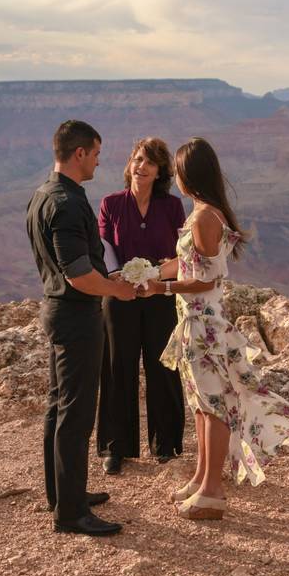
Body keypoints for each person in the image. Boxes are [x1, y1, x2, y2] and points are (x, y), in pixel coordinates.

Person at [139, 137, 289, 520]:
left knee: (215, 407)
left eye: (178, 169)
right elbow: (187, 264)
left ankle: (213, 492)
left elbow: (205, 280)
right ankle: (201, 478)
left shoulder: (206, 216)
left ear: (190, 173)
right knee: (202, 406)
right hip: (193, 323)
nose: (174, 176)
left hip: (204, 324)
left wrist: (161, 287)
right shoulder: (203, 212)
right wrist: (152, 271)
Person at [25, 119, 137, 536]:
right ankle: (71, 514)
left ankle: (63, 493)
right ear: (79, 154)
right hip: (75, 316)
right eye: (95, 154)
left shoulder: (43, 194)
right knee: (76, 412)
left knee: (59, 406)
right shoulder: (68, 203)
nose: (97, 162)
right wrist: (116, 290)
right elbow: (77, 274)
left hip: (56, 311)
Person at [96, 138, 187, 475]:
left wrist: (156, 277)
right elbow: (103, 245)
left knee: (163, 367)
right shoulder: (111, 203)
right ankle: (115, 448)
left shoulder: (172, 206)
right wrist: (118, 277)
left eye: (149, 162)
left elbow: (182, 252)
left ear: (160, 170)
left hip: (160, 295)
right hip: (119, 295)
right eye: (137, 159)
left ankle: (166, 446)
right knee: (118, 367)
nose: (141, 167)